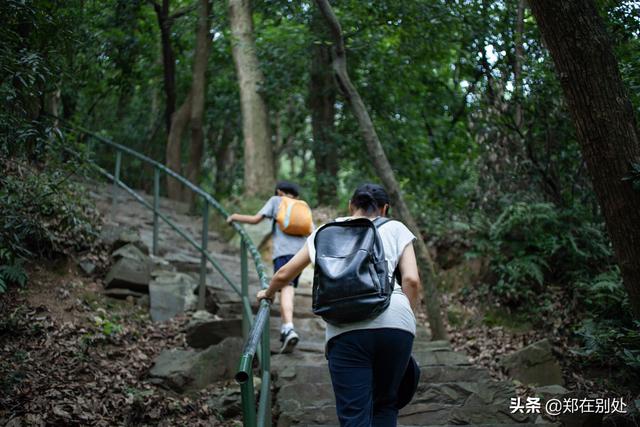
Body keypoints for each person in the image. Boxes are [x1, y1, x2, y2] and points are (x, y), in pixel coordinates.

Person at [257, 183, 421, 426]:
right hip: (396, 324)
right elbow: (411, 280)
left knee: (354, 415)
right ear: (385, 209)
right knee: (386, 405)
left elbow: (284, 274)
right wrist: (407, 319)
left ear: (350, 205)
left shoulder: (326, 231)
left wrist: (268, 293)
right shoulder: (396, 228)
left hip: (345, 329)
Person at [227, 181, 311, 353]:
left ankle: (288, 327)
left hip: (283, 253)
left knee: (285, 288)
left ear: (280, 191)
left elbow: (255, 220)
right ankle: (286, 328)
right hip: (302, 254)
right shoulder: (302, 206)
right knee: (290, 288)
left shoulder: (276, 201)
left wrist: (234, 216)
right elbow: (312, 231)